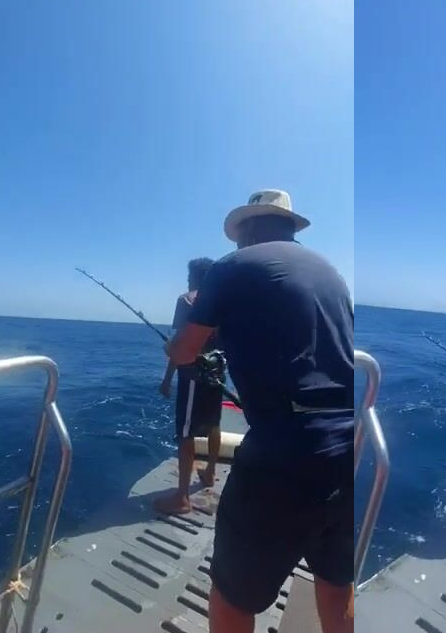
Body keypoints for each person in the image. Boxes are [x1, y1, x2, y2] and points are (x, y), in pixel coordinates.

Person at [167, 189, 363, 633]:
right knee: (336, 583)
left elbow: (185, 351)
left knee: (231, 596)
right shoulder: (332, 273)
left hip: (283, 451)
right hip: (349, 443)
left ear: (248, 229)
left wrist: (174, 345)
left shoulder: (231, 266)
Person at [155, 258, 224, 515]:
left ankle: (182, 498)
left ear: (194, 277)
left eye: (188, 277)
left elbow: (182, 344)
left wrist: (167, 379)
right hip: (217, 371)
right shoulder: (222, 302)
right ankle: (210, 472)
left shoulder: (187, 300)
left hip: (193, 375)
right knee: (214, 423)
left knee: (185, 432)